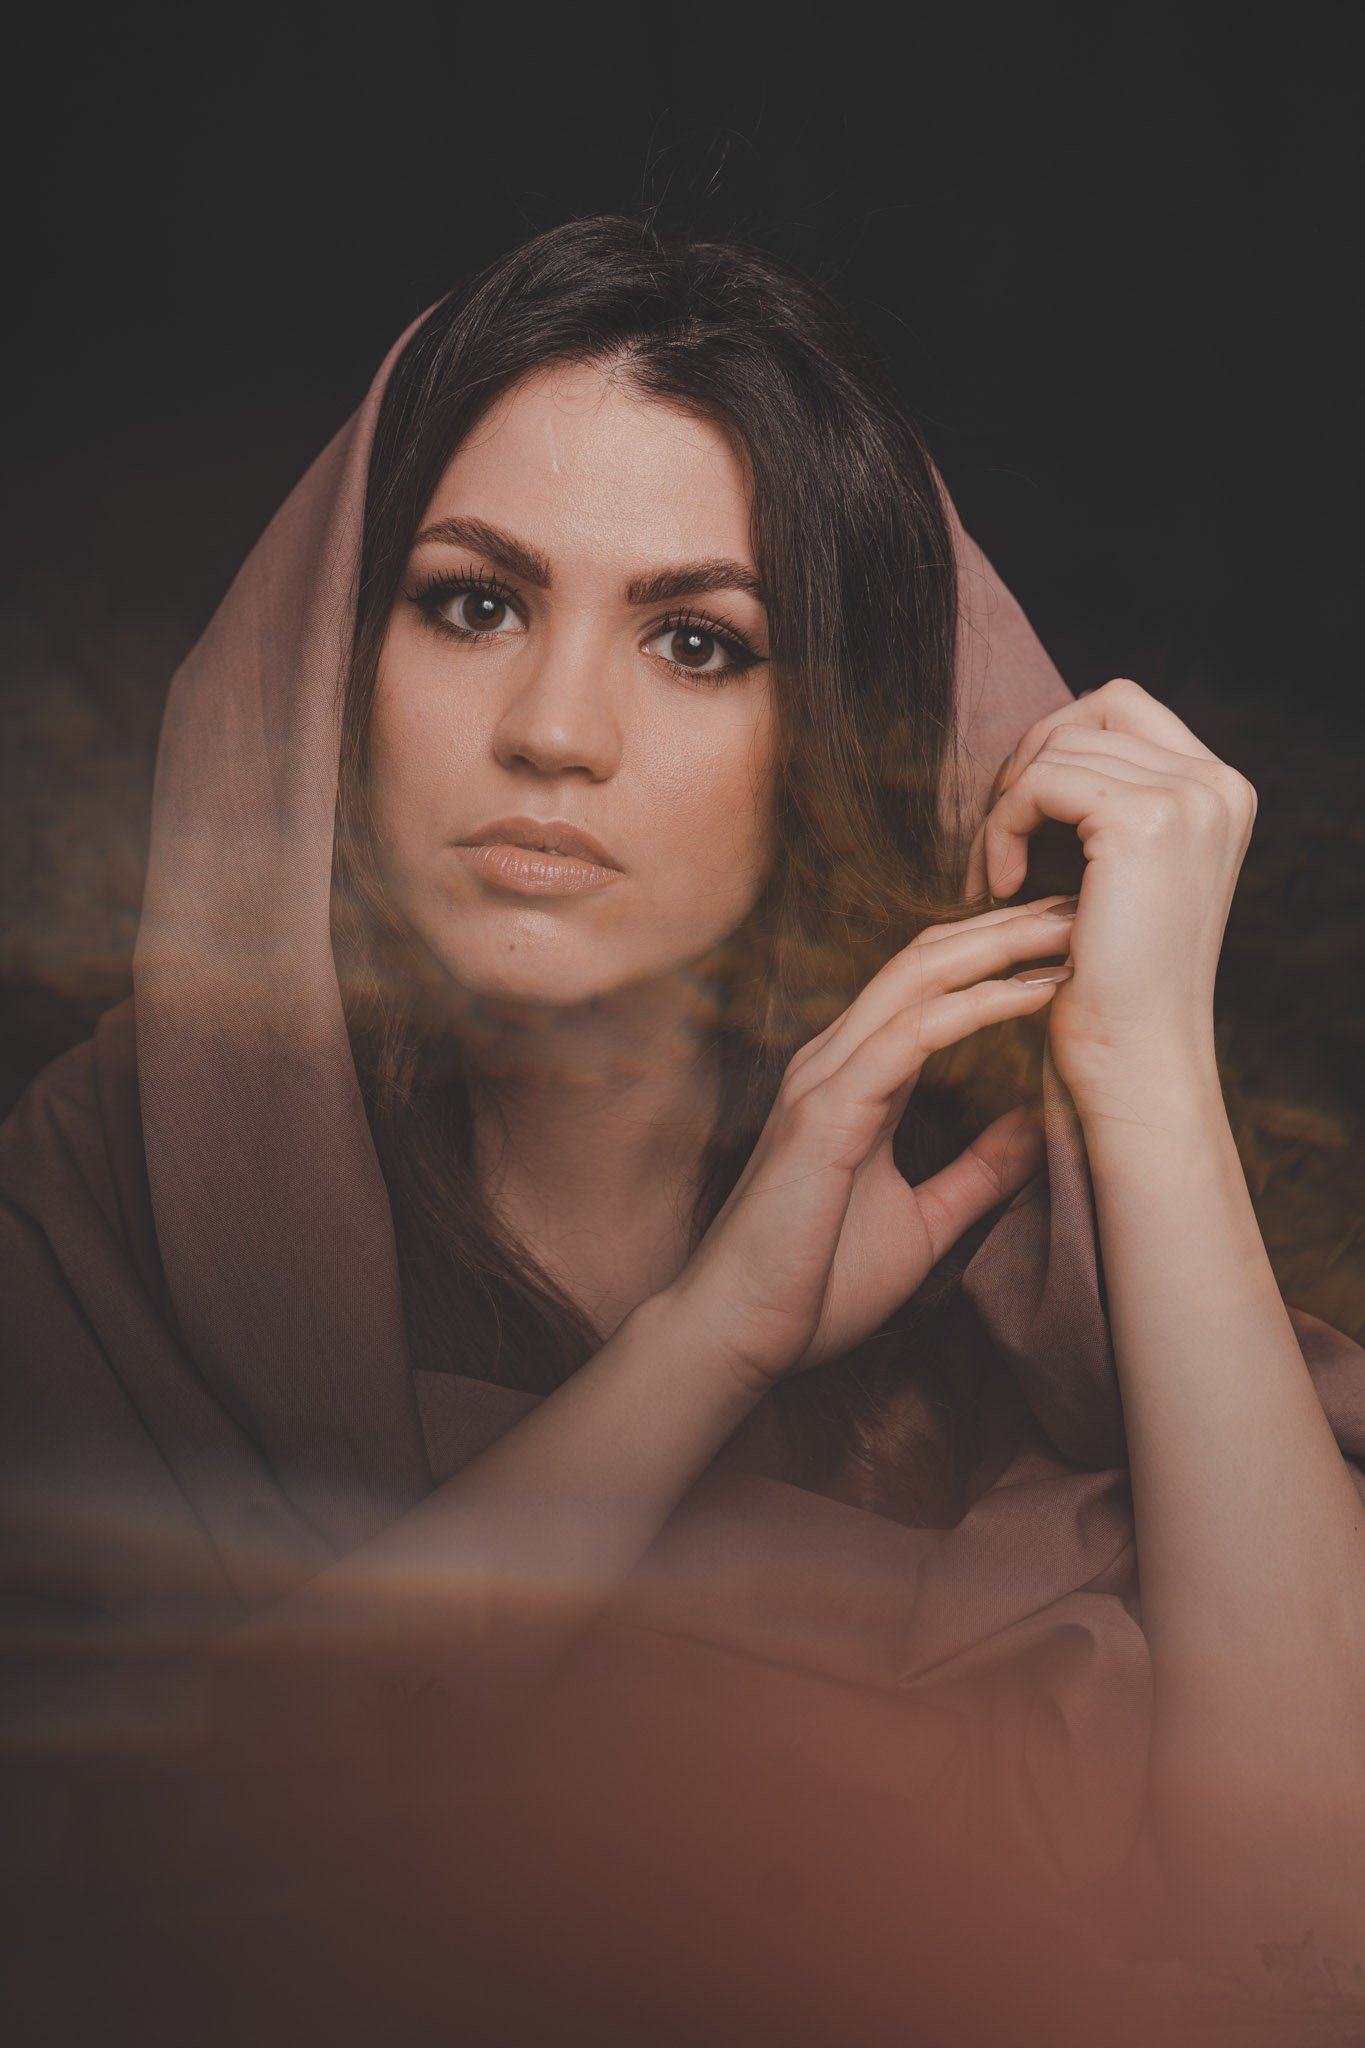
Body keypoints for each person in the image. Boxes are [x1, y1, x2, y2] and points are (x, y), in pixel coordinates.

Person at [3, 216, 1364, 2036]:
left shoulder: (1012, 1294)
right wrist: (708, 1339)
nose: (553, 732)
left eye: (701, 643)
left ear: (844, 728)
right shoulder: (112, 1186)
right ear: (338, 658)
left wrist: (1144, 1079)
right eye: (472, 603)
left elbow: (1312, 1918)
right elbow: (145, 1865)